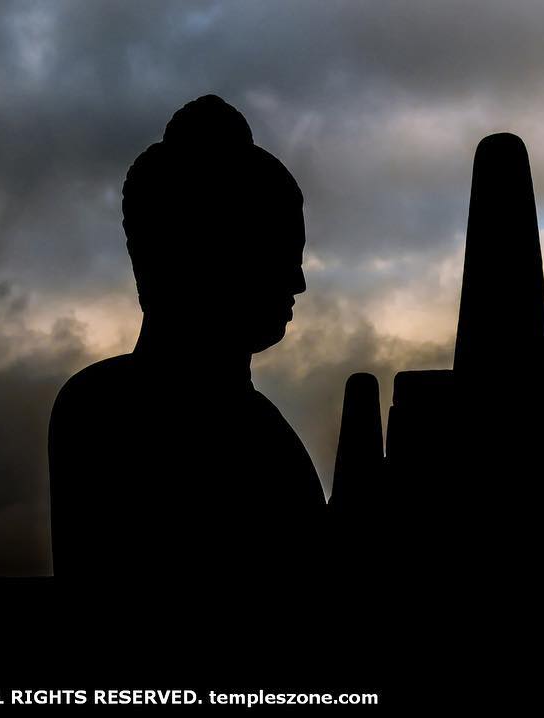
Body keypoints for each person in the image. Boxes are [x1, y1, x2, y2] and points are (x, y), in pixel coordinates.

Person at [48, 96, 325, 583]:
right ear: (203, 258)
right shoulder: (105, 413)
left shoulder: (95, 405)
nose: (298, 282)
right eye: (279, 256)